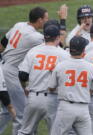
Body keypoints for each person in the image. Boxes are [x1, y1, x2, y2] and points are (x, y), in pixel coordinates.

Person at [0, 7, 48, 135]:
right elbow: (55, 44)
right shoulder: (35, 37)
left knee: (7, 110)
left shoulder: (19, 25)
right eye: (46, 19)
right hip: (10, 73)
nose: (47, 21)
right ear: (39, 20)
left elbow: (3, 42)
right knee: (22, 114)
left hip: (3, 68)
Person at [18, 22, 70, 135]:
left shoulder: (33, 51)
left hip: (34, 98)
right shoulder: (63, 54)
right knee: (56, 133)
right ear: (57, 37)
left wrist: (25, 88)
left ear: (44, 36)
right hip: (53, 100)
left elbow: (22, 75)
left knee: (24, 131)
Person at [49, 36, 93, 135]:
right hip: (83, 109)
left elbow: (51, 87)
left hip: (65, 107)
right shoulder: (91, 67)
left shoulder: (60, 65)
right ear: (83, 50)